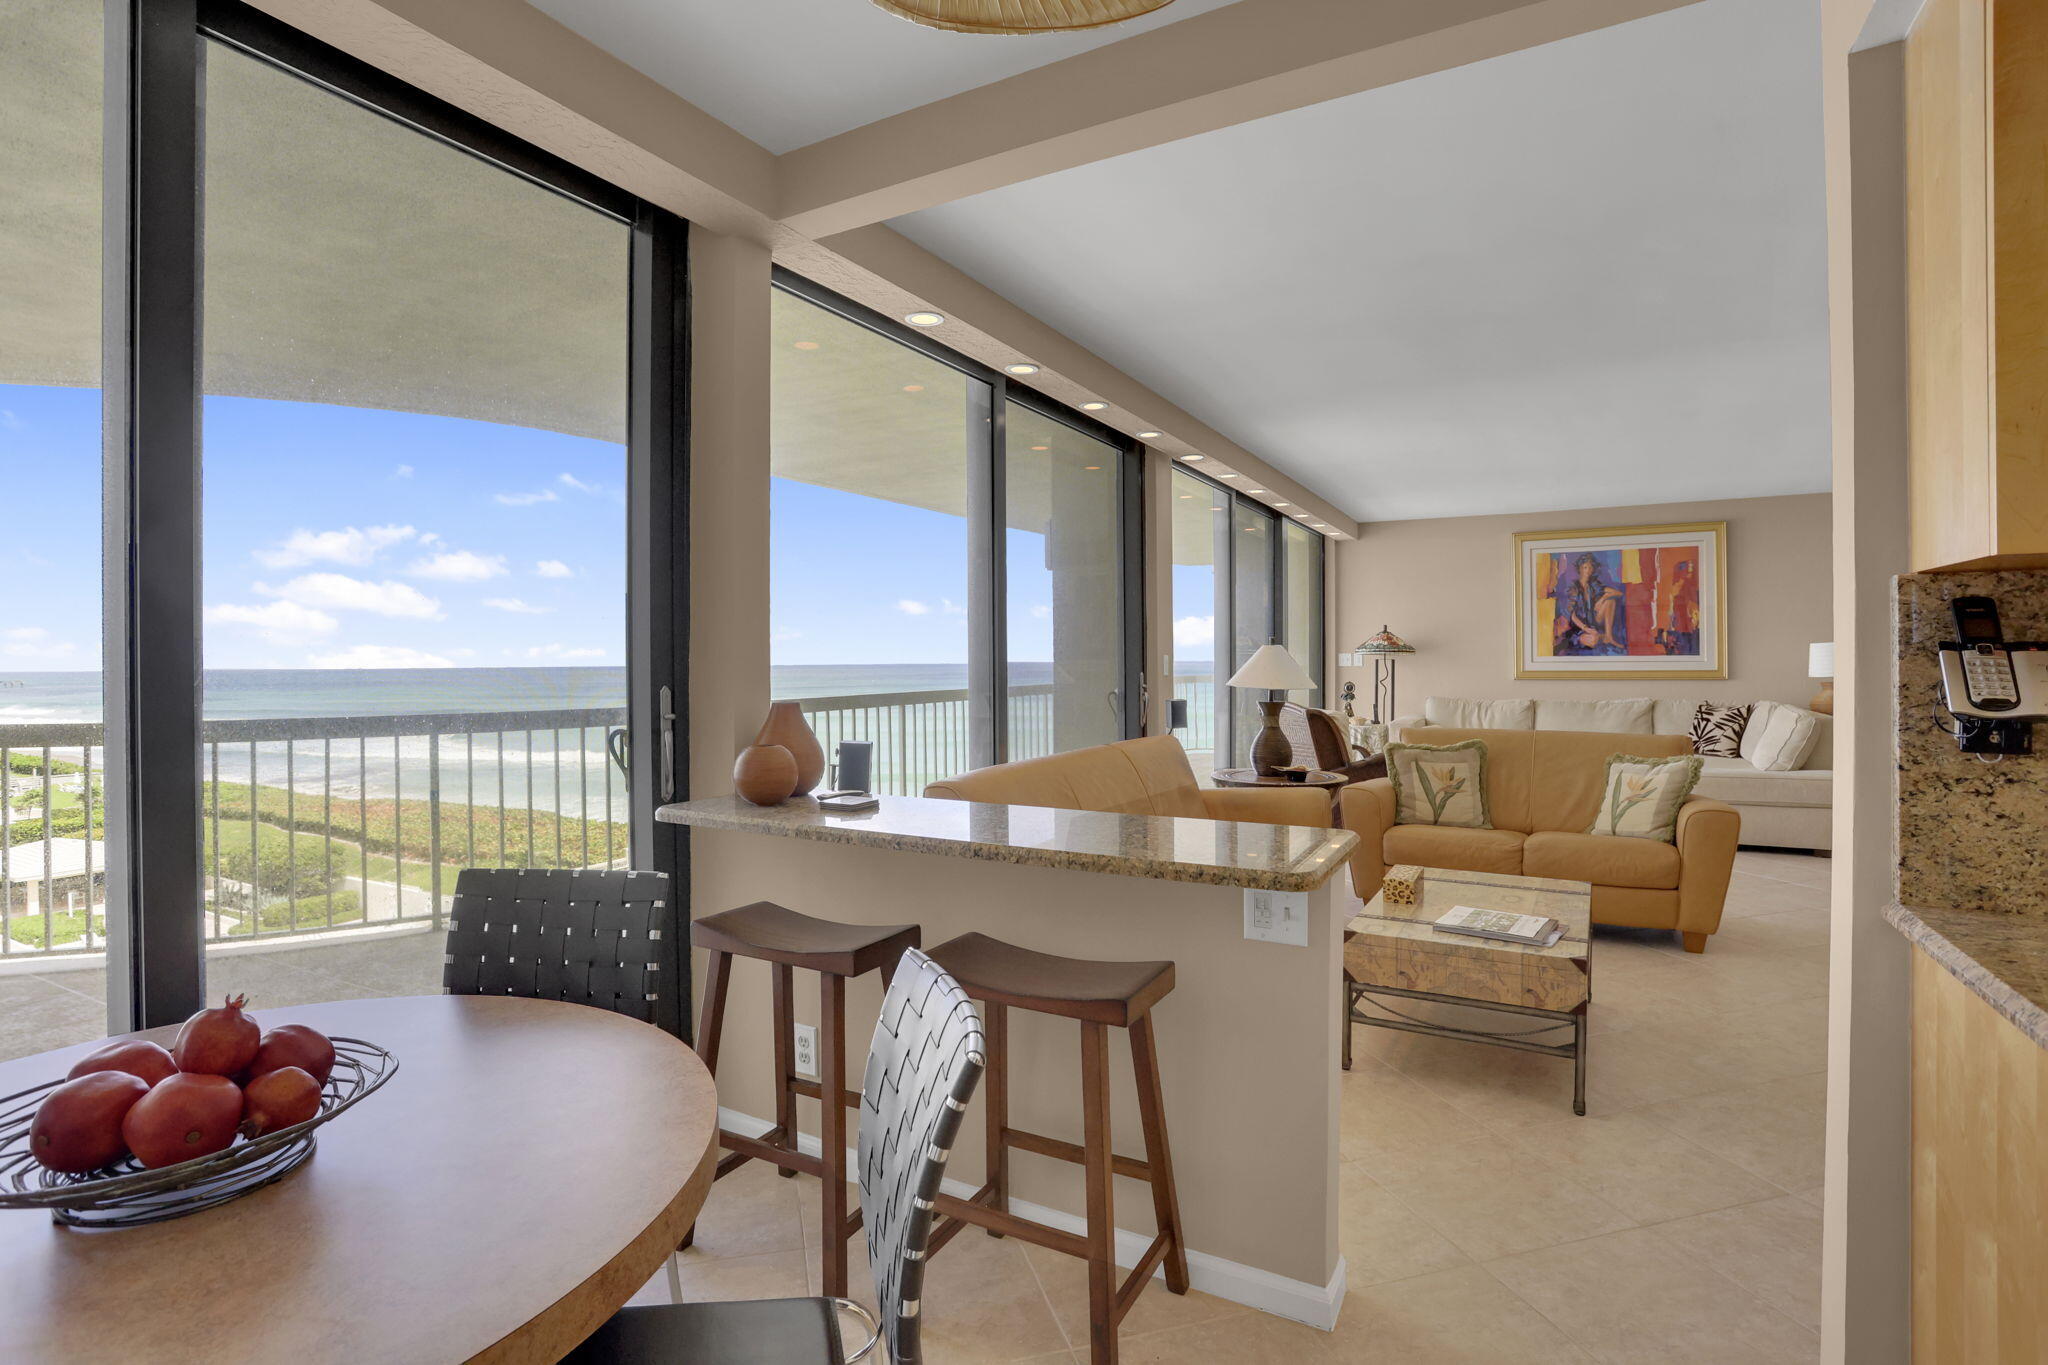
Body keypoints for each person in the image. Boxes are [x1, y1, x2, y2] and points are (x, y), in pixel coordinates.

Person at [1553, 552, 1626, 656]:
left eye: (1590, 568)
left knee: (1610, 601)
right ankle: (1601, 637)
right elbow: (1572, 615)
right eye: (1585, 567)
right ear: (1580, 569)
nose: (1588, 571)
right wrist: (1585, 628)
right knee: (1592, 641)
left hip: (1594, 620)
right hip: (1580, 626)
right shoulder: (1574, 588)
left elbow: (1618, 593)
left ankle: (1608, 636)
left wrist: (1602, 599)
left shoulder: (1594, 585)